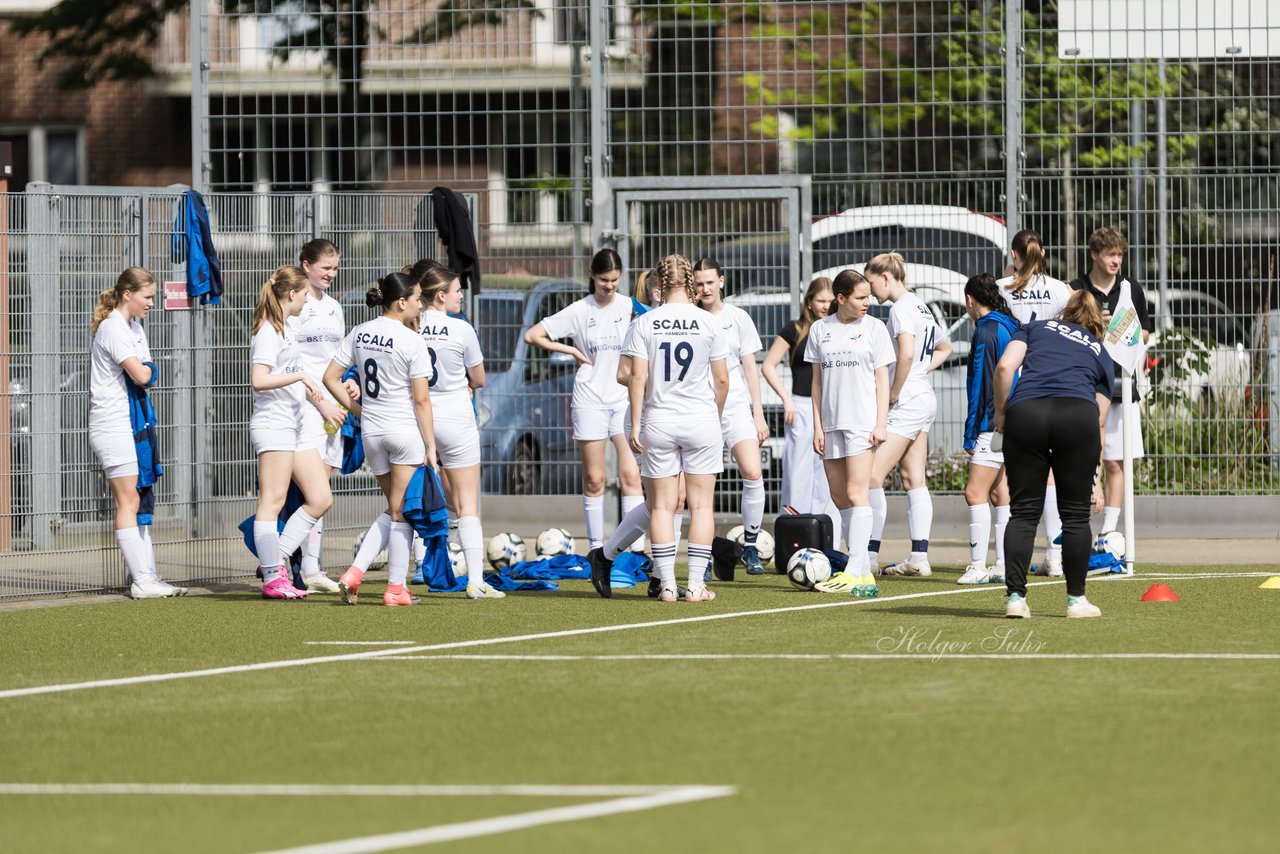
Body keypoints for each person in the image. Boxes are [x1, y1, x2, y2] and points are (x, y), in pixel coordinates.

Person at [596, 254, 729, 603]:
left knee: (661, 506)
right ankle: (696, 584)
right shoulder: (709, 322)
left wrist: (637, 423)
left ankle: (667, 583)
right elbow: (723, 380)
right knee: (700, 506)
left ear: (659, 283)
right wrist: (713, 416)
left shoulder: (645, 322)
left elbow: (634, 377)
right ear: (690, 283)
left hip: (659, 419)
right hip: (700, 418)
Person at [994, 290, 1113, 619]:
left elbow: (1005, 367)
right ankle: (1076, 601)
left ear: (1065, 312)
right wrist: (1097, 476)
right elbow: (1100, 417)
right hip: (1077, 414)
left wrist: (1002, 415)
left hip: (1026, 412)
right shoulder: (1100, 351)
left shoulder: (1036, 327)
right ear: (1094, 324)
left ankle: (1016, 598)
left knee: (1023, 513)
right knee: (1075, 516)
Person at [325, 272, 437, 607]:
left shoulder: (360, 332)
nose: (421, 305)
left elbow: (330, 378)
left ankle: (358, 574)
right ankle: (393, 588)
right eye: (417, 298)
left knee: (395, 508)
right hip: (403, 432)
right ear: (401, 302)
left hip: (373, 433)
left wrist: (359, 411)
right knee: (402, 513)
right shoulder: (412, 340)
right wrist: (431, 447)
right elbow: (421, 400)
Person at [524, 249, 645, 555]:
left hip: (623, 400)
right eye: (604, 279)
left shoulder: (630, 306)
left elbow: (658, 323)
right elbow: (533, 336)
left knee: (632, 475)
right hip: (590, 400)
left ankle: (635, 552)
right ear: (592, 275)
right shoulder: (579, 310)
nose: (609, 286)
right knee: (595, 478)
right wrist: (572, 352)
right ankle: (595, 549)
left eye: (615, 280)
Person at [89, 268, 186, 599]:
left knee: (140, 499)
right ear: (127, 294)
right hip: (112, 424)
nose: (151, 303)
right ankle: (142, 580)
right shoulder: (113, 327)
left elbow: (147, 371)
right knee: (128, 499)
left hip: (132, 424)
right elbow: (142, 375)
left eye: (153, 297)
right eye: (147, 297)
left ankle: (149, 577)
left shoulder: (134, 327)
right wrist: (147, 372)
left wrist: (148, 371)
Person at [415, 259, 505, 599]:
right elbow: (479, 379)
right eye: (456, 291)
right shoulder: (461, 328)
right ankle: (475, 582)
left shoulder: (409, 326)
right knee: (467, 504)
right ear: (440, 296)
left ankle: (405, 572)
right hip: (455, 417)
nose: (461, 297)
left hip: (418, 419)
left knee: (404, 504)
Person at [805, 269, 895, 597]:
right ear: (840, 299)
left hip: (862, 423)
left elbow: (882, 379)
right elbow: (816, 382)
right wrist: (817, 425)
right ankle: (854, 566)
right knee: (839, 496)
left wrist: (880, 423)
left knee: (858, 493)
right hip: (830, 424)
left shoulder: (875, 329)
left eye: (868, 296)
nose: (867, 303)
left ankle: (858, 570)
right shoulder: (819, 329)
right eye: (859, 297)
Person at [863, 252, 952, 577]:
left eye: (871, 282)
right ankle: (918, 557)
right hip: (924, 395)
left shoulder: (900, 309)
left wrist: (896, 390)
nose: (870, 290)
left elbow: (907, 352)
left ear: (885, 277)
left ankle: (868, 556)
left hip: (908, 399)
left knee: (871, 475)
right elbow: (947, 347)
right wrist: (919, 373)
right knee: (913, 477)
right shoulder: (920, 305)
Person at [248, 266, 333, 600]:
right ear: (291, 294)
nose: (307, 301)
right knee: (272, 501)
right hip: (274, 424)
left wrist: (311, 388)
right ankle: (272, 577)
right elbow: (259, 379)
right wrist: (298, 379)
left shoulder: (286, 327)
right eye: (304, 295)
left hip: (296, 425)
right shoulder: (267, 330)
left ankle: (276, 557)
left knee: (321, 497)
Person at [998, 230, 1073, 577]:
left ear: (1014, 255)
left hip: (1014, 383)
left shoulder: (1002, 288)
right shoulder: (1061, 290)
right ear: (1042, 252)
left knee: (1009, 474)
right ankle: (1054, 555)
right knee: (1052, 474)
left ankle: (1003, 560)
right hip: (1052, 380)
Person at [1069, 227, 1153, 537]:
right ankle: (1075, 528)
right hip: (1084, 385)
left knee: (1116, 462)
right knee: (1082, 459)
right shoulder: (1077, 289)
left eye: (1119, 254)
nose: (1116, 260)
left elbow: (1144, 332)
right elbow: (1066, 329)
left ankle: (1108, 534)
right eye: (1109, 254)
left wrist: (1120, 330)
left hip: (1121, 386)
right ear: (1094, 254)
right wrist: (1094, 326)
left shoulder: (1131, 289)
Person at [692, 257, 771, 575]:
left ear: (721, 281)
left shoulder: (738, 317)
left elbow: (751, 369)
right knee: (702, 487)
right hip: (701, 410)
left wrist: (759, 413)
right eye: (699, 283)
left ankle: (750, 547)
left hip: (736, 407)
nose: (705, 288)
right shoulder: (690, 319)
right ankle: (704, 555)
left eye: (710, 282)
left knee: (753, 472)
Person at [285, 239, 350, 593]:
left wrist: (347, 388)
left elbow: (337, 358)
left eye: (335, 268)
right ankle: (281, 563)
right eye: (325, 268)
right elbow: (294, 365)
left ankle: (311, 567)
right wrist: (320, 400)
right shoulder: (296, 305)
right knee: (311, 491)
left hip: (331, 406)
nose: (331, 274)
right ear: (306, 265)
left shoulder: (334, 307)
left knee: (323, 486)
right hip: (305, 405)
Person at [760, 277, 841, 548]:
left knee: (828, 473)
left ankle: (825, 538)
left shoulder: (837, 328)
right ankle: (794, 539)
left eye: (830, 300)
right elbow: (768, 365)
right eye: (821, 300)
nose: (826, 305)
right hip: (801, 408)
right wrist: (787, 400)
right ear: (809, 301)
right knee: (797, 474)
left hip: (829, 410)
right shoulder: (794, 329)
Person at [956, 273, 1020, 585]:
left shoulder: (987, 330)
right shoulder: (1009, 325)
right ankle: (1003, 565)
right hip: (1015, 419)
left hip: (993, 423)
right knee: (1000, 491)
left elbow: (982, 383)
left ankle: (978, 566)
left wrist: (972, 431)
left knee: (974, 492)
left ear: (970, 300)